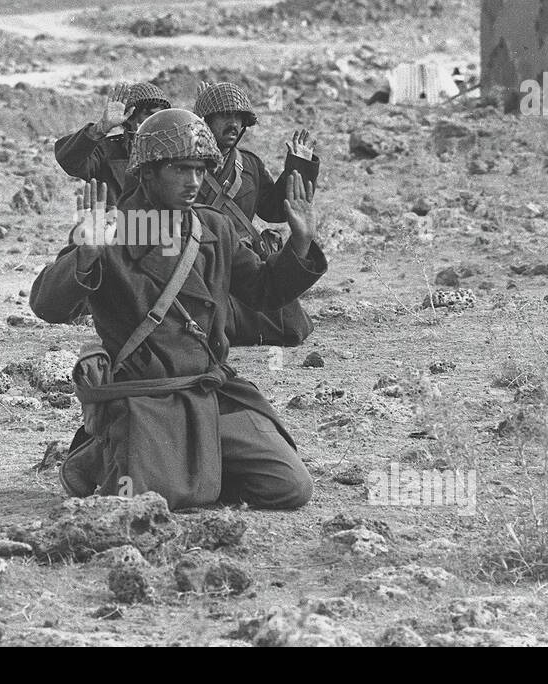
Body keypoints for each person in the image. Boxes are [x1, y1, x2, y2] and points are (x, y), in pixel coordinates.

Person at [29, 109, 327, 510]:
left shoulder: (211, 227)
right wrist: (84, 256)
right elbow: (47, 306)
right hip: (145, 396)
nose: (194, 182)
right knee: (148, 500)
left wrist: (300, 244)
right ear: (148, 172)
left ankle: (201, 467)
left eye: (201, 171)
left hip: (209, 389)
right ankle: (100, 456)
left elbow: (263, 291)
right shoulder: (111, 229)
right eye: (181, 170)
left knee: (290, 487)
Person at [193, 80, 321, 346]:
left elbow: (273, 210)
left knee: (292, 326)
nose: (234, 124)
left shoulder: (248, 164)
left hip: (243, 265)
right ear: (206, 121)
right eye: (226, 116)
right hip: (201, 263)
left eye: (239, 118)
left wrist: (298, 167)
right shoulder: (186, 164)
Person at [53, 81, 170, 205]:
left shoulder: (173, 151)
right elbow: (68, 160)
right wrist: (100, 128)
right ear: (130, 118)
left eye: (160, 116)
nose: (156, 121)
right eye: (148, 115)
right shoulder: (107, 151)